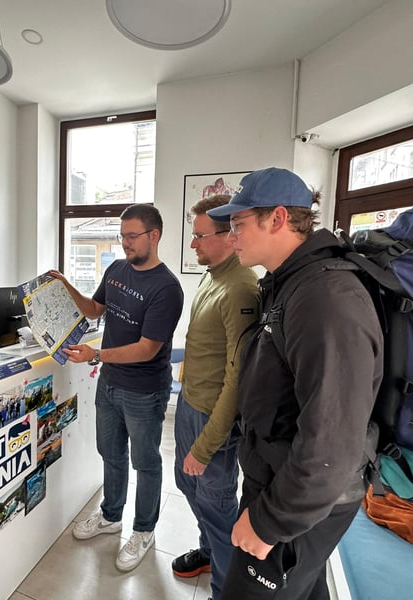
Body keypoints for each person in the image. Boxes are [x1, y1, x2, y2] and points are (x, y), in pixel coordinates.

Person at [206, 168, 383, 599]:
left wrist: (271, 521)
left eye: (239, 224)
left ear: (278, 218)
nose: (232, 238)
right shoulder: (291, 283)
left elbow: (333, 437)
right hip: (284, 482)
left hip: (299, 500)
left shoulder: (326, 296)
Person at [49, 204, 184, 573]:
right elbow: (94, 309)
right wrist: (64, 285)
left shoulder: (167, 287)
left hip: (144, 390)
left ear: (153, 236)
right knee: (110, 452)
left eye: (131, 236)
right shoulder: (117, 269)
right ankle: (111, 516)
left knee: (145, 462)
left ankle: (144, 530)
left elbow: (147, 348)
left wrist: (96, 354)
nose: (125, 243)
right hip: (109, 384)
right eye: (122, 235)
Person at [172, 194, 259, 600]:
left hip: (213, 420)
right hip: (191, 407)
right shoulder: (213, 274)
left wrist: (206, 447)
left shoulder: (241, 288)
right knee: (189, 488)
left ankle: (225, 589)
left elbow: (237, 381)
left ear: (229, 236)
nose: (193, 245)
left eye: (200, 237)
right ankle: (209, 553)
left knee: (217, 505)